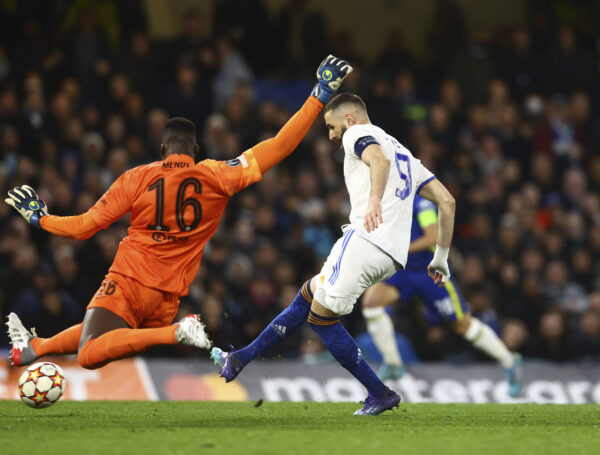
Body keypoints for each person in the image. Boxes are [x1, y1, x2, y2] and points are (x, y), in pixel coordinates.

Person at [5, 55, 353, 370]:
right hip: (168, 296)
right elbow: (281, 144)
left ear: (161, 149)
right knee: (105, 330)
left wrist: (41, 218)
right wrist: (319, 94)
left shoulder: (136, 177)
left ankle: (174, 333)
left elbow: (83, 227)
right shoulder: (217, 174)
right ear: (196, 150)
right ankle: (38, 347)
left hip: (129, 279)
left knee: (89, 352)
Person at [211, 92, 455, 415]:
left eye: (331, 126)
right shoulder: (406, 154)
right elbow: (448, 202)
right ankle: (240, 358)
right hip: (392, 255)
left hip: (366, 238)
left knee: (322, 320)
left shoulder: (357, 133)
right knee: (309, 294)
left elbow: (377, 161)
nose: (331, 135)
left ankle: (379, 393)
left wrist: (374, 201)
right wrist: (441, 256)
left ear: (349, 119)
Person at [361, 194, 524, 397]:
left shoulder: (421, 202)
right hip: (403, 269)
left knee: (462, 324)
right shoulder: (385, 199)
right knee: (371, 302)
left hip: (429, 272)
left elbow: (432, 237)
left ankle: (510, 362)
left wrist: (401, 249)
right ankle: (393, 362)